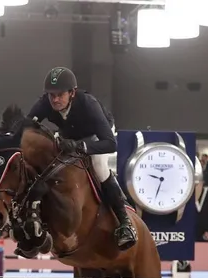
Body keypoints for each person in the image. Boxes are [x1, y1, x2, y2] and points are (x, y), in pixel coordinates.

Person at [26, 67, 137, 251]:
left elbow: (110, 143)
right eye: (51, 95)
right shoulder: (45, 103)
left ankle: (125, 224)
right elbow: (25, 126)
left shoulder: (88, 104)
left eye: (60, 95)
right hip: (69, 135)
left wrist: (81, 147)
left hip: (98, 135)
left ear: (72, 93)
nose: (54, 99)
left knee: (99, 167)